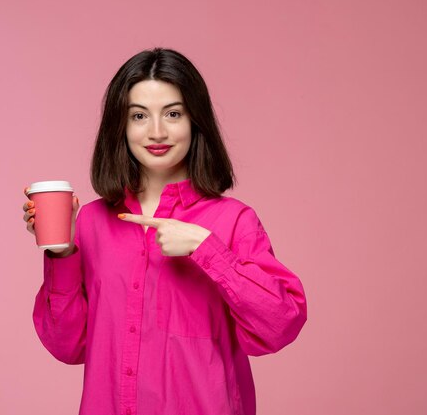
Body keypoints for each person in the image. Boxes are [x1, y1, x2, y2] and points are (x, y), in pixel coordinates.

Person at [22, 47, 307, 415]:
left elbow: (279, 327)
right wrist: (61, 253)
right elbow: (68, 347)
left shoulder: (234, 221)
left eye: (173, 114)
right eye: (139, 116)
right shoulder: (90, 224)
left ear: (195, 121)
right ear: (120, 127)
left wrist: (207, 250)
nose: (157, 131)